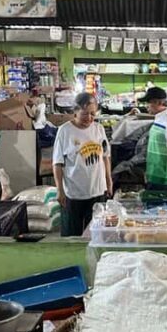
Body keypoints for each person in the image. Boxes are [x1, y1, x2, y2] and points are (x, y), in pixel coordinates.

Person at [53, 93, 112, 236]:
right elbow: (57, 163)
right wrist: (60, 190)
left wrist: (109, 181)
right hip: (74, 194)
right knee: (72, 236)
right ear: (75, 111)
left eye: (93, 114)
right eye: (85, 114)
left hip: (97, 191)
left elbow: (105, 157)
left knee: (96, 234)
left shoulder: (99, 129)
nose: (90, 118)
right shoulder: (65, 131)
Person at [140, 87, 167, 190]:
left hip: (164, 177)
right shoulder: (159, 119)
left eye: (148, 103)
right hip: (154, 174)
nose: (146, 106)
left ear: (158, 102)